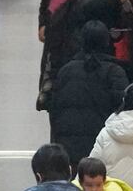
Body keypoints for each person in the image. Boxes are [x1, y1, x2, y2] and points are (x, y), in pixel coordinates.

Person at [46, 20, 128, 163]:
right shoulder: (115, 72)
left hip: (69, 147)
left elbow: (55, 108)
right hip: (103, 146)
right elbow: (123, 111)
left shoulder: (66, 70)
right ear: (106, 41)